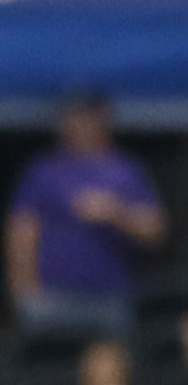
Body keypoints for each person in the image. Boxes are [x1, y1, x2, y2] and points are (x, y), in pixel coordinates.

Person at [6, 92, 166, 343]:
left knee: (108, 362)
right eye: (72, 117)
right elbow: (21, 232)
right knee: (51, 362)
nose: (79, 125)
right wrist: (23, 291)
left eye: (87, 117)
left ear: (103, 120)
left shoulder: (126, 171)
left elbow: (155, 232)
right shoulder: (44, 172)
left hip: (110, 297)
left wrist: (116, 213)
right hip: (51, 296)